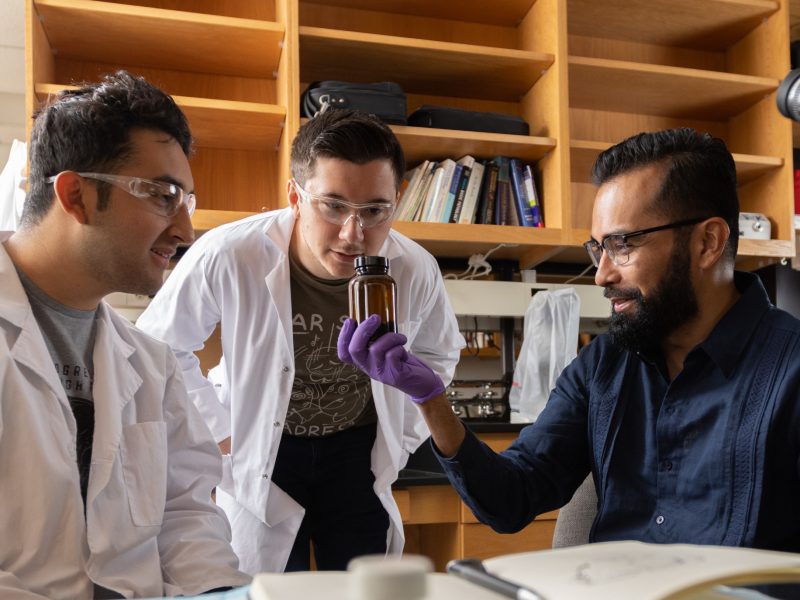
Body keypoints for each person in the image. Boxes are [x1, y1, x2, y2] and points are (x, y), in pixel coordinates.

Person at [339, 128, 800, 551]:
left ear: (708, 242)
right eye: (597, 248)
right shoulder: (604, 366)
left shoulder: (790, 369)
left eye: (623, 245)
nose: (602, 273)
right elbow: (511, 498)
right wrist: (431, 400)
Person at [137, 108, 464, 573]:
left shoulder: (413, 267)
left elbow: (437, 356)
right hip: (267, 449)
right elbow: (158, 346)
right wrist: (222, 434)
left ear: (396, 201)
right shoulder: (231, 252)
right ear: (295, 196)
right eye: (332, 206)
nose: (354, 235)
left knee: (363, 587)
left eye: (375, 210)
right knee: (267, 586)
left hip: (357, 452)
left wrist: (403, 435)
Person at [0, 71, 251, 598]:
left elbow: (185, 514)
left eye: (187, 200)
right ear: (76, 195)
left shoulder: (151, 363)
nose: (185, 231)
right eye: (163, 195)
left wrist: (217, 594)